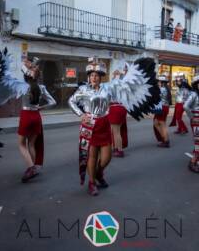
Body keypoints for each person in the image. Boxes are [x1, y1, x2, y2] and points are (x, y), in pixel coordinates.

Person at [69, 56, 160, 196]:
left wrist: (131, 73)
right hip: (90, 126)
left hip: (104, 123)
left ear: (101, 77)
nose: (94, 78)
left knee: (107, 156)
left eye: (97, 75)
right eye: (91, 75)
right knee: (92, 156)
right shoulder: (83, 89)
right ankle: (92, 182)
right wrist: (81, 115)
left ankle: (98, 173)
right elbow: (71, 101)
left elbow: (127, 86)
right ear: (88, 77)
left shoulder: (109, 87)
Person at [0, 49, 56, 182]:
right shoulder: (41, 87)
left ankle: (31, 168)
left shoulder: (21, 85)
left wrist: (24, 64)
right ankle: (35, 167)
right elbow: (53, 102)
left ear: (25, 76)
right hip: (36, 116)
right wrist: (41, 107)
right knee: (31, 144)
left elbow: (5, 80)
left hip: (25, 116)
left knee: (21, 144)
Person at [109, 65, 128, 158]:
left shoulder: (113, 84)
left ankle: (119, 150)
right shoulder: (124, 84)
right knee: (116, 130)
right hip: (122, 107)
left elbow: (108, 96)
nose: (114, 73)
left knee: (116, 131)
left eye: (115, 72)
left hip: (115, 107)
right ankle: (116, 148)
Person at [184, 74, 199, 173]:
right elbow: (185, 106)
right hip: (196, 120)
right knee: (198, 142)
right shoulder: (193, 94)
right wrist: (192, 117)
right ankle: (193, 162)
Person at [153, 75, 171, 148]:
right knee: (156, 123)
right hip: (165, 107)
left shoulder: (162, 89)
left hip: (162, 107)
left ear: (161, 82)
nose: (158, 82)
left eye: (159, 81)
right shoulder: (166, 88)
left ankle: (166, 140)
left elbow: (155, 96)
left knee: (162, 124)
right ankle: (164, 138)